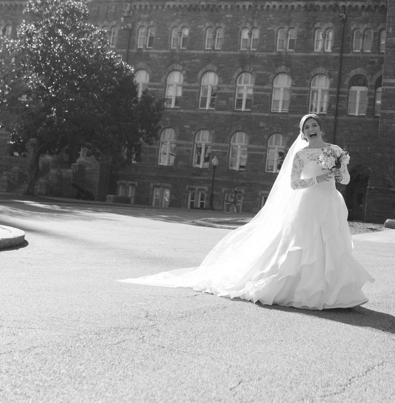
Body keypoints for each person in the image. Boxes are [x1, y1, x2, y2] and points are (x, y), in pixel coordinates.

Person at [121, 114, 373, 309]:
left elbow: (347, 180)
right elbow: (295, 184)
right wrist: (317, 180)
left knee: (331, 245)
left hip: (330, 202)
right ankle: (303, 291)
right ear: (303, 133)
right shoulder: (300, 155)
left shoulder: (336, 150)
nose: (310, 129)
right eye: (306, 127)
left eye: (313, 124)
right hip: (307, 203)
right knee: (306, 247)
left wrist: (338, 171)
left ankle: (337, 294)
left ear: (321, 127)